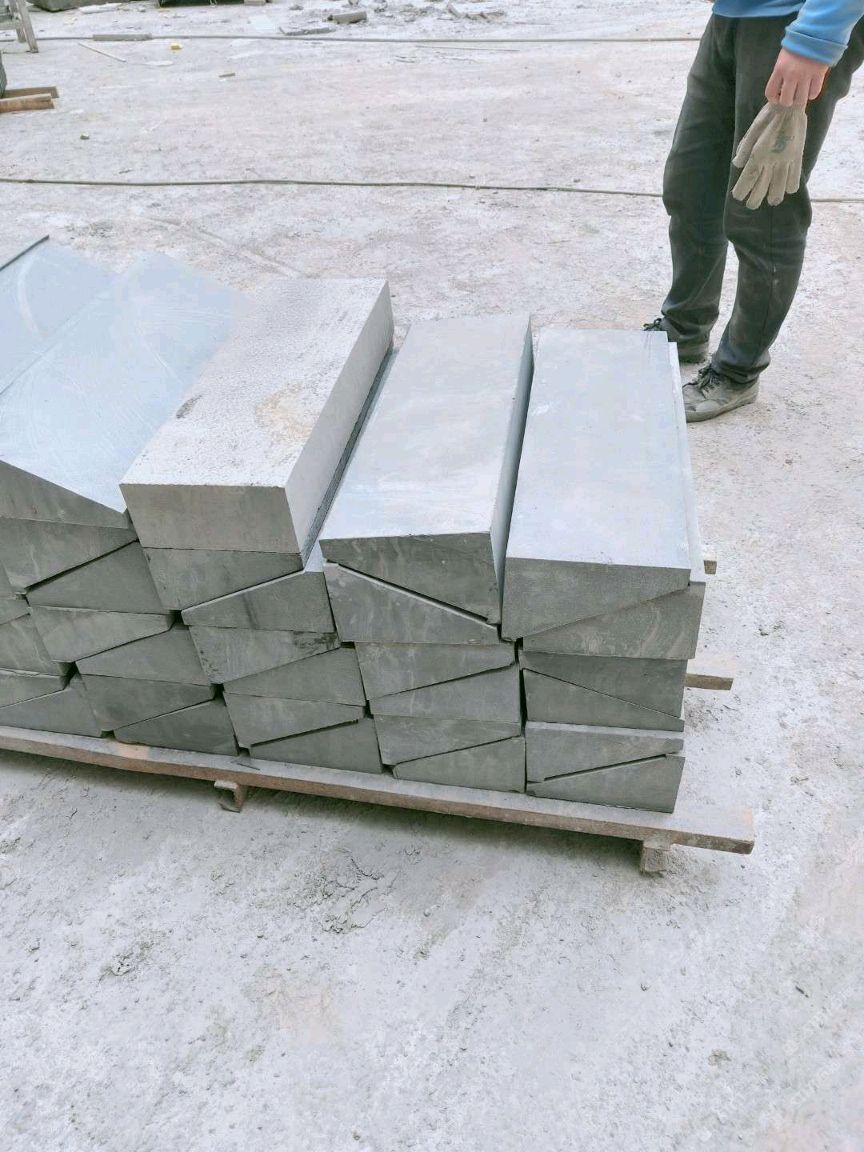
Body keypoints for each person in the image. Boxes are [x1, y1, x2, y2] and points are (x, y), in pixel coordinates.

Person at [647, 0, 864, 422]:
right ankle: (685, 329)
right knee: (692, 187)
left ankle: (738, 370)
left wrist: (816, 37)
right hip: (733, 14)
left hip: (798, 23)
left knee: (763, 206)